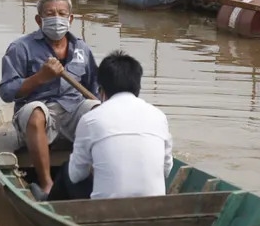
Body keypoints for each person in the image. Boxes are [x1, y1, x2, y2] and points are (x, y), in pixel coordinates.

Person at [0, 0, 100, 196]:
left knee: (97, 110)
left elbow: (94, 88)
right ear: (39, 19)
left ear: (70, 19)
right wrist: (39, 78)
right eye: (50, 14)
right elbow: (7, 92)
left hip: (72, 112)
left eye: (62, 14)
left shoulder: (81, 49)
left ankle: (97, 178)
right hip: (38, 114)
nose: (57, 19)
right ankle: (47, 184)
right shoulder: (21, 48)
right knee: (35, 112)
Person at [46, 50, 172, 201]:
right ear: (137, 87)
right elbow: (166, 171)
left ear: (101, 91)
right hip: (156, 205)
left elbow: (75, 175)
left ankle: (48, 202)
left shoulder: (90, 119)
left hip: (106, 209)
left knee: (68, 169)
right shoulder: (159, 116)